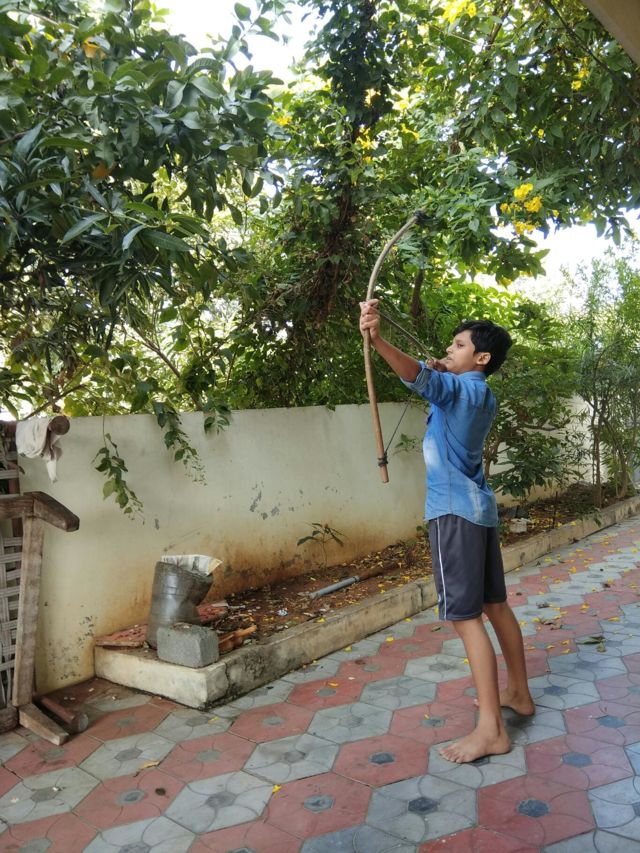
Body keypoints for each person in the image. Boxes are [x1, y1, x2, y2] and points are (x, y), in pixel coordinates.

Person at [359, 299, 534, 763]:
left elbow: (418, 375)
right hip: (478, 510)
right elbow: (434, 379)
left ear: (482, 358)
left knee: (465, 618)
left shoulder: (459, 390)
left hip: (454, 513)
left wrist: (377, 339)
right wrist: (442, 369)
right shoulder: (478, 393)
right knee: (495, 605)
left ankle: (491, 730)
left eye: (459, 345)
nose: (449, 350)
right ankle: (519, 694)